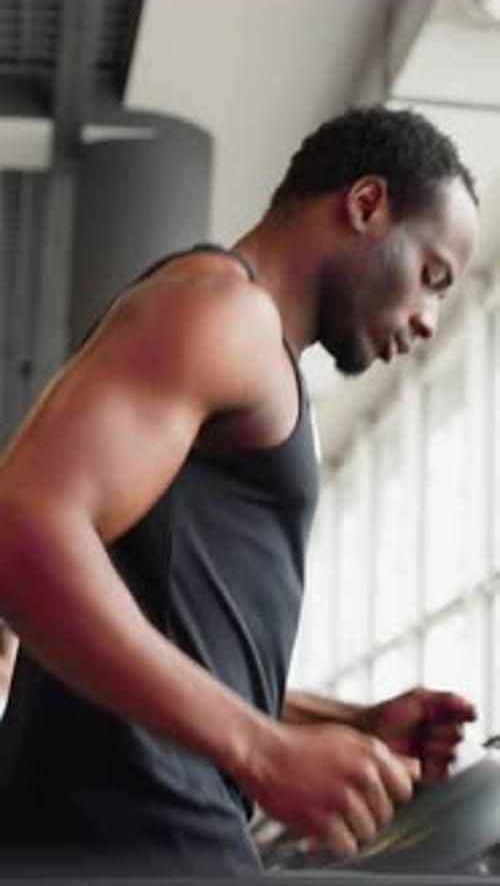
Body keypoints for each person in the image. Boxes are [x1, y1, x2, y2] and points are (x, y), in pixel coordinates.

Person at [0, 106, 479, 876]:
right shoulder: (222, 312)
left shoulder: (251, 349)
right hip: (129, 838)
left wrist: (346, 722)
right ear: (365, 205)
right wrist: (264, 749)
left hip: (151, 833)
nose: (427, 321)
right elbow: (19, 534)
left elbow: (177, 626)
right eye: (431, 278)